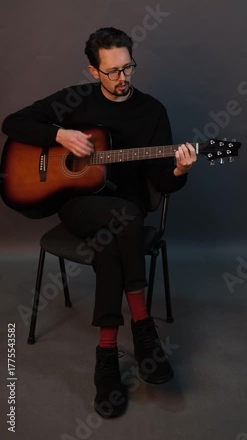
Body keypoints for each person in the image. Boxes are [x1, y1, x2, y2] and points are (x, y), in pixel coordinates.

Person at [2, 27, 197, 418]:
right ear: (94, 72)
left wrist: (178, 169)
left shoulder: (152, 111)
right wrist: (59, 134)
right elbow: (13, 123)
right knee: (122, 222)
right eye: (112, 71)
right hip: (79, 206)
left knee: (118, 230)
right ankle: (143, 329)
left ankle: (105, 357)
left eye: (128, 68)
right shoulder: (75, 101)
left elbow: (160, 181)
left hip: (125, 208)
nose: (122, 78)